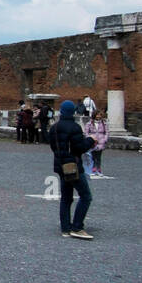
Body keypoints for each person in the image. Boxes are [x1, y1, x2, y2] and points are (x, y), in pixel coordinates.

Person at [50, 99, 96, 239]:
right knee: (86, 196)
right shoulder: (75, 127)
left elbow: (52, 146)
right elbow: (79, 148)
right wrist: (91, 140)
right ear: (73, 112)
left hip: (60, 165)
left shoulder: (54, 127)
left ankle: (65, 228)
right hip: (73, 166)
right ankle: (77, 227)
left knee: (66, 198)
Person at [84, 110, 108, 177]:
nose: (98, 116)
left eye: (100, 115)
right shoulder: (89, 123)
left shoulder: (104, 123)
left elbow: (106, 132)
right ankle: (93, 169)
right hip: (92, 141)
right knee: (93, 156)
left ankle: (99, 169)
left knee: (99, 156)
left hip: (101, 141)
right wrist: (90, 139)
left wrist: (105, 139)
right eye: (97, 115)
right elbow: (86, 132)